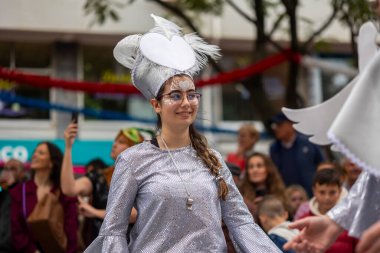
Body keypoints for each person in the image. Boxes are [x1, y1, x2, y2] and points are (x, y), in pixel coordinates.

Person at [84, 14, 281, 252]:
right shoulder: (132, 160)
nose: (186, 103)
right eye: (175, 95)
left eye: (191, 94)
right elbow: (113, 231)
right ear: (156, 105)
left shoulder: (214, 160)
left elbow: (240, 222)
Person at [61, 123, 144, 244]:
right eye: (115, 141)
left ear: (133, 148)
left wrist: (94, 212)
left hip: (130, 245)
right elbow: (69, 189)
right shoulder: (100, 176)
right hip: (100, 244)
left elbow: (132, 215)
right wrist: (68, 147)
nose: (114, 144)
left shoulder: (143, 178)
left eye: (121, 142)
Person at [10, 142, 78, 253]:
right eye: (35, 152)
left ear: (51, 163)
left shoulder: (64, 193)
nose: (34, 155)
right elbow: (16, 229)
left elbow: (71, 230)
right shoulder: (19, 191)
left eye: (41, 153)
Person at [269, 111, 325, 197]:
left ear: (291, 125)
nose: (276, 128)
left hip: (311, 194)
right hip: (286, 197)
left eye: (280, 125)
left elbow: (322, 165)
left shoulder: (309, 143)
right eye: (275, 125)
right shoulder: (274, 149)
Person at [239, 152, 286, 222]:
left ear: (268, 169)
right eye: (251, 167)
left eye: (259, 166)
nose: (255, 170)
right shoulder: (241, 195)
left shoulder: (280, 193)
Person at [0, 159, 25, 252]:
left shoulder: (27, 189)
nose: (8, 172)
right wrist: (3, 184)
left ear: (22, 173)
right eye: (6, 169)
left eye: (13, 169)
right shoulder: (2, 188)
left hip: (20, 247)